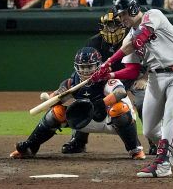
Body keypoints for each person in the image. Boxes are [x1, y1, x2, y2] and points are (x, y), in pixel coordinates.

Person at [90, 0, 173, 178]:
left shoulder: (154, 15)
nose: (121, 19)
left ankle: (163, 163)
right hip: (155, 78)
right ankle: (171, 152)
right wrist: (110, 74)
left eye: (123, 14)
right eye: (119, 16)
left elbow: (140, 38)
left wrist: (109, 61)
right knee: (150, 129)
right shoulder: (128, 36)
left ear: (133, 9)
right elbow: (132, 70)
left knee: (171, 116)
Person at [9, 47, 146, 161]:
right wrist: (53, 97)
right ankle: (30, 147)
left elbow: (121, 92)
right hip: (85, 121)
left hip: (111, 120)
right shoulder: (72, 82)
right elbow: (58, 98)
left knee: (119, 109)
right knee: (56, 112)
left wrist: (101, 103)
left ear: (98, 66)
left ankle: (135, 149)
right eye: (83, 67)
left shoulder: (106, 78)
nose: (86, 71)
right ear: (76, 67)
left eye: (90, 67)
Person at [61, 12, 158, 155]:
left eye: (115, 25)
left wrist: (144, 78)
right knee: (84, 98)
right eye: (107, 25)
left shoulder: (133, 37)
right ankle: (78, 141)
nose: (111, 29)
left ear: (123, 25)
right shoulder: (93, 43)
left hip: (134, 78)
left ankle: (154, 140)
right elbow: (83, 66)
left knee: (143, 101)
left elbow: (150, 59)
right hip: (104, 81)